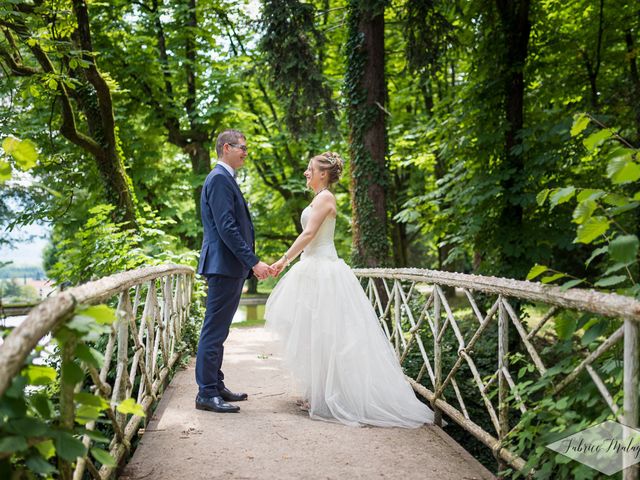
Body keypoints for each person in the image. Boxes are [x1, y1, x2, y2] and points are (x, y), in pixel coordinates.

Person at [265, 152, 434, 428]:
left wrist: (283, 260)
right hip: (311, 269)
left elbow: (309, 235)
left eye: (310, 169)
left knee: (330, 334)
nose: (306, 173)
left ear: (323, 174)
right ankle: (316, 392)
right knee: (312, 333)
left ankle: (332, 395)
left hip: (324, 270)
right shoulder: (317, 198)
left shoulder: (326, 197)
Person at [195, 129, 272, 414]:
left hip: (229, 267)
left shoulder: (225, 179)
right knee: (214, 331)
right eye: (243, 147)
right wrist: (253, 261)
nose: (246, 152)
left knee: (220, 330)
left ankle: (216, 384)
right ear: (226, 147)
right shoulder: (218, 179)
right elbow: (227, 227)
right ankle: (206, 393)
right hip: (223, 266)